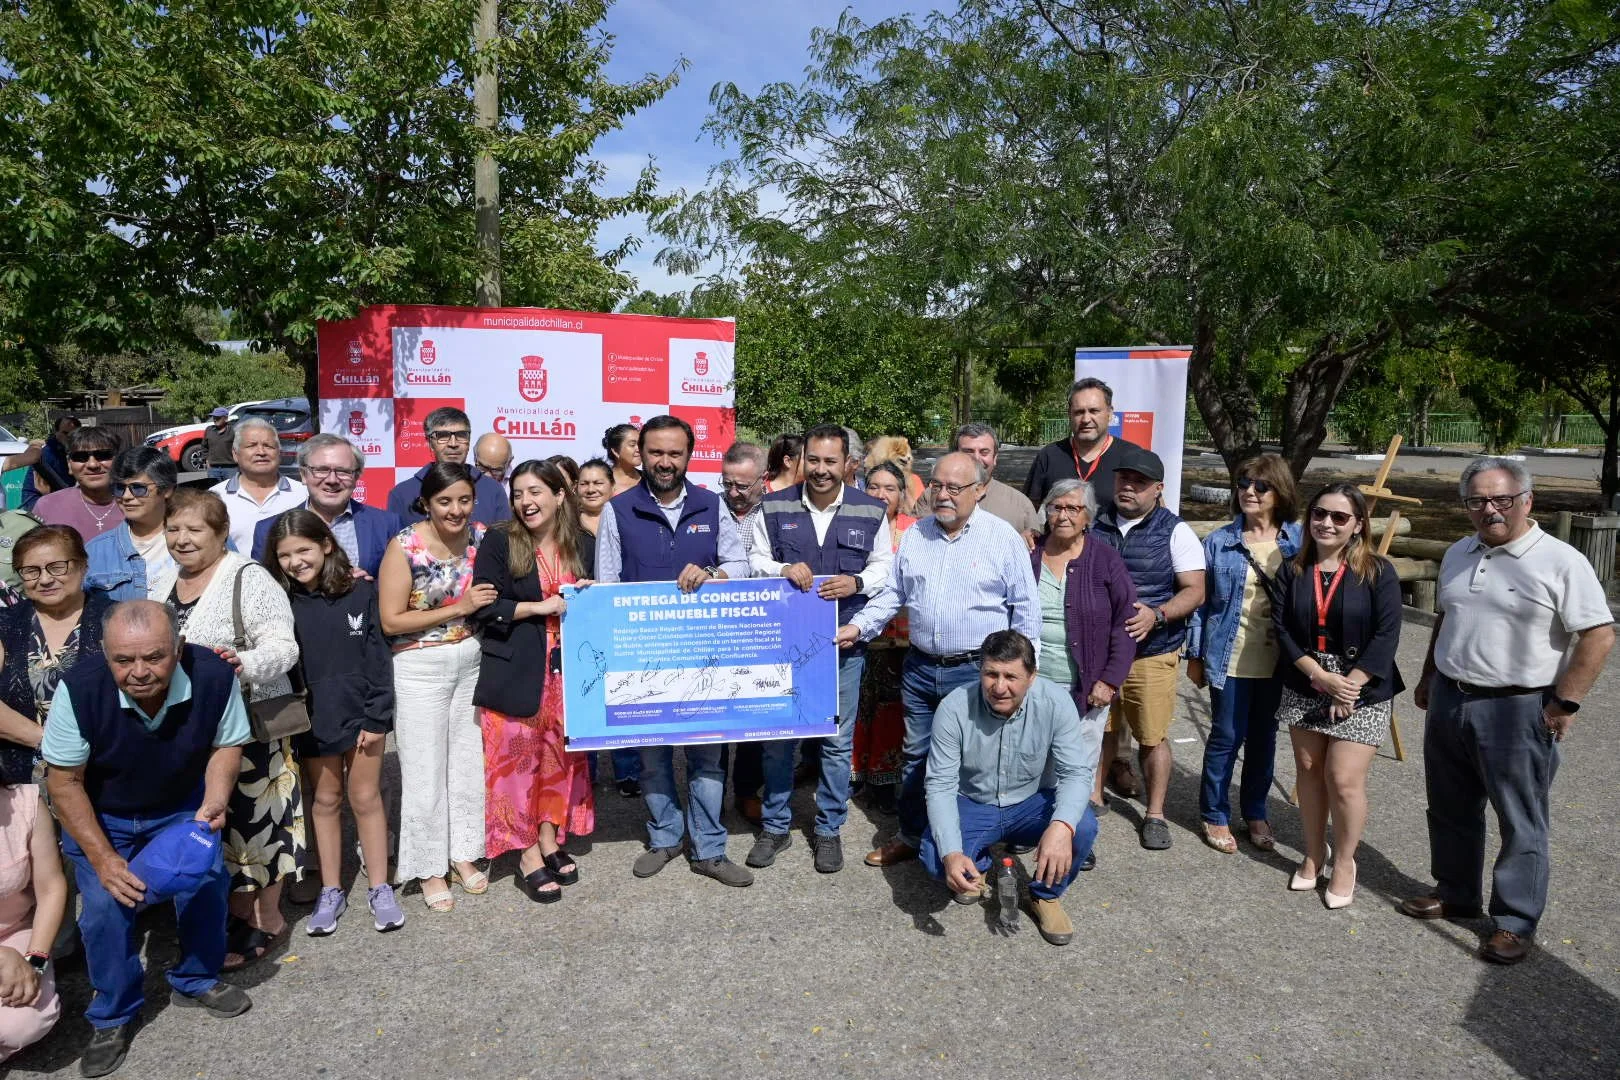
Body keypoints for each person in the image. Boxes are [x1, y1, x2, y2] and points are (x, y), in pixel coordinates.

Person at [1402, 457, 1614, 963]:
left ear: (1527, 500)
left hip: (1518, 707)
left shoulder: (1562, 561)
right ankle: (1456, 893)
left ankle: (1515, 921)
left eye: (1501, 499)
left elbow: (1599, 635)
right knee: (1450, 808)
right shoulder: (1458, 551)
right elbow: (1446, 618)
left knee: (1520, 819)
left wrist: (1565, 701)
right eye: (1477, 501)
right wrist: (1431, 675)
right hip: (1453, 698)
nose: (1490, 510)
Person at [44, 600, 253, 1077]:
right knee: (104, 906)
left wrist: (215, 801)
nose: (139, 672)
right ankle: (113, 1014)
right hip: (104, 814)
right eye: (123, 660)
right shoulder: (79, 689)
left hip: (180, 805)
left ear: (178, 648)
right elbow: (64, 783)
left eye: (154, 657)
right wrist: (102, 858)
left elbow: (227, 744)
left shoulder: (215, 677)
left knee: (206, 883)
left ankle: (196, 977)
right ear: (104, 652)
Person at [841, 451, 1040, 868]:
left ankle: (973, 847)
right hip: (920, 667)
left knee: (975, 763)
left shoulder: (1002, 538)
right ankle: (913, 835)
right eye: (936, 485)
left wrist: (1023, 672)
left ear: (980, 490)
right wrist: (858, 627)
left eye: (954, 487)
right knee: (918, 757)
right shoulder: (917, 536)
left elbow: (1026, 610)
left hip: (976, 673)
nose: (943, 495)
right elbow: (894, 594)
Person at [595, 415, 751, 886]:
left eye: (675, 453)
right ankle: (664, 837)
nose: (665, 462)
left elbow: (739, 564)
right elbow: (606, 586)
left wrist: (715, 576)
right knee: (652, 755)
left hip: (705, 653)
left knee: (707, 755)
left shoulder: (712, 505)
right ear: (639, 454)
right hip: (643, 656)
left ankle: (709, 848)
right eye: (656, 452)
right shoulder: (616, 510)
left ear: (689, 455)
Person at [156, 489, 301, 970]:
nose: (182, 539)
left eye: (194, 530)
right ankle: (228, 912)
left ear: (220, 533)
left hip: (252, 723)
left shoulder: (248, 578)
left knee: (259, 823)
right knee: (218, 824)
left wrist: (244, 664)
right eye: (173, 529)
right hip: (194, 733)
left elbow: (284, 647)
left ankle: (266, 918)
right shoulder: (165, 581)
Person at [749, 426, 892, 873]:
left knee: (834, 740)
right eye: (814, 460)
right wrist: (783, 567)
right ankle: (775, 826)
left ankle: (829, 830)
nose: (822, 470)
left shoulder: (872, 511)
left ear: (848, 463)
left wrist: (858, 582)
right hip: (782, 643)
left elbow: (886, 565)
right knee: (779, 738)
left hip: (842, 643)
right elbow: (753, 559)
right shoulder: (773, 506)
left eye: (831, 461)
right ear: (801, 460)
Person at [262, 511, 403, 935]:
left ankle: (379, 886)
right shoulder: (279, 600)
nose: (294, 561)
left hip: (363, 715)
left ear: (326, 545)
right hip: (312, 719)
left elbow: (378, 657)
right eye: (284, 555)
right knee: (324, 801)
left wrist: (378, 717)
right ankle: (330, 888)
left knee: (365, 799)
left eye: (303, 549)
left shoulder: (361, 591)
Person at [920, 630, 1100, 946]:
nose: (999, 687)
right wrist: (951, 852)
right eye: (991, 674)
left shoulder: (1056, 702)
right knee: (937, 858)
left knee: (1081, 826)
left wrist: (1060, 827)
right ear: (980, 670)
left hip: (1030, 802)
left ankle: (1045, 894)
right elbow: (940, 785)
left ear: (1032, 676)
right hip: (974, 802)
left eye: (1011, 677)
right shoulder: (954, 707)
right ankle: (979, 864)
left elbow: (1075, 773)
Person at [1274, 483, 1403, 909]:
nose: (1327, 523)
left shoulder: (1378, 571)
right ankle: (1314, 853)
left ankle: (1345, 860)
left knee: (1343, 779)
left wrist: (1350, 683)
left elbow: (1387, 635)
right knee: (1309, 769)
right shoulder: (1291, 570)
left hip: (1362, 687)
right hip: (1305, 681)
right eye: (1319, 514)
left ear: (1359, 525)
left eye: (1340, 517)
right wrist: (1320, 678)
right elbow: (1283, 632)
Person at [471, 461, 594, 903]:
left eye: (536, 491)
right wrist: (538, 608)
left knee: (558, 763)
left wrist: (591, 592)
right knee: (516, 769)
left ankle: (548, 838)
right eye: (519, 492)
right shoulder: (500, 540)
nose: (526, 501)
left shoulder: (582, 542)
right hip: (517, 672)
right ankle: (525, 854)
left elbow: (600, 600)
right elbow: (482, 606)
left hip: (570, 675)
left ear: (560, 496)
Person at [377, 462, 495, 912]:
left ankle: (464, 854)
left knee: (467, 766)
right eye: (445, 501)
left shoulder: (483, 537)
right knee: (425, 772)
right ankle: (428, 868)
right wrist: (458, 607)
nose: (456, 509)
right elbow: (391, 620)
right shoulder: (404, 545)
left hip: (472, 663)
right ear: (426, 502)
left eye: (464, 499)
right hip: (418, 667)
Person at [1089, 448, 1206, 850]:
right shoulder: (1095, 521)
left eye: (1139, 483)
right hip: (1099, 653)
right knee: (1100, 729)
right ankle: (1093, 796)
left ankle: (1155, 813)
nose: (1128, 487)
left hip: (1151, 652)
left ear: (1158, 489)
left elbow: (1195, 590)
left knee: (1151, 737)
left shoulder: (1175, 532)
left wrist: (1157, 614)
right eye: (1123, 479)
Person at [1185, 453, 1301, 854]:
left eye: (1261, 485)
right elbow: (1202, 604)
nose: (1249, 491)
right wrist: (1195, 655)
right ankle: (1214, 814)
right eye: (1243, 483)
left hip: (1281, 661)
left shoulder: (1299, 541)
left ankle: (1255, 811)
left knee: (1265, 738)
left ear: (1279, 491)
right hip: (1230, 654)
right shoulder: (1219, 541)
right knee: (1225, 737)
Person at [1030, 479, 1136, 833]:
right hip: (1033, 684)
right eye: (1056, 507)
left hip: (1086, 686)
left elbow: (1125, 624)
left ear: (1088, 517)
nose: (1062, 515)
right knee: (1034, 762)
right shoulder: (1028, 555)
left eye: (1072, 508)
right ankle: (1033, 828)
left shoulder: (1105, 560)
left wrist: (1109, 680)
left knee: (1078, 768)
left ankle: (1072, 837)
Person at [1, 527, 113, 786]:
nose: (45, 579)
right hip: (19, 781)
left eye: (57, 567)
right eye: (31, 571)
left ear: (82, 565)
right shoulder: (5, 624)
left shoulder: (114, 619)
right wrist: (50, 743)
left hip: (98, 775)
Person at [850, 462, 917, 813]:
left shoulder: (917, 531)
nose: (880, 494)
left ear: (902, 495)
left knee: (892, 708)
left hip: (903, 639)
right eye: (873, 486)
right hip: (859, 630)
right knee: (859, 705)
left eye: (889, 488)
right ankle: (853, 772)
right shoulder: (851, 526)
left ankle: (884, 777)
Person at [574, 458, 640, 799]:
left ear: (612, 487)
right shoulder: (565, 528)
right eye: (584, 483)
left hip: (618, 622)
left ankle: (628, 772)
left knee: (621, 695)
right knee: (586, 697)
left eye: (598, 482)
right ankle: (588, 773)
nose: (591, 488)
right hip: (580, 624)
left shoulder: (624, 522)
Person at [251, 434, 403, 579]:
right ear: (304, 475)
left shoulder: (388, 525)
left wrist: (368, 587)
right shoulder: (268, 530)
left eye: (343, 471)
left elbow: (403, 582)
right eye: (321, 470)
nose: (332, 480)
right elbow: (262, 591)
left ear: (356, 477)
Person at [716, 441, 769, 823]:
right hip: (715, 630)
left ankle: (747, 790)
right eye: (727, 483)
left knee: (754, 721)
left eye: (743, 487)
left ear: (762, 481)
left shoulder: (780, 512)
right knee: (713, 718)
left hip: (760, 631)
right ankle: (711, 793)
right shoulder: (708, 507)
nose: (733, 493)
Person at [0, 774, 66, 1064]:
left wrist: (35, 961)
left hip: (14, 931)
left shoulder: (24, 803)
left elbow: (51, 888)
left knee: (25, 1022)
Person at [1024, 377, 1140, 512]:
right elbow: (1027, 512)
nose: (1086, 419)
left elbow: (1157, 514)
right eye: (1079, 412)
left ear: (1109, 413)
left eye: (1094, 411)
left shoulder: (1132, 456)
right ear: (1069, 415)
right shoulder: (1049, 455)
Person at [84, 448, 179, 601]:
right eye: (119, 488)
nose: (126, 497)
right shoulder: (95, 552)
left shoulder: (202, 538)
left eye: (138, 488)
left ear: (167, 489)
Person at [387, 407, 509, 525]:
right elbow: (394, 543)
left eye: (461, 435)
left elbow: (504, 541)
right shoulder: (402, 494)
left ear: (469, 440)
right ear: (430, 442)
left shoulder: (493, 490)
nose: (453, 443)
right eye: (443, 436)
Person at [209, 416, 307, 556]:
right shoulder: (215, 498)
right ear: (235, 454)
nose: (261, 452)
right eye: (251, 445)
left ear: (279, 453)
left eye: (268, 446)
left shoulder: (302, 493)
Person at [928, 423, 1041, 540]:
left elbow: (1035, 552)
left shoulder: (1020, 505)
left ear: (995, 458)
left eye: (984, 452)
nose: (976, 458)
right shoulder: (932, 497)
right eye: (968, 451)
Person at [34, 427, 123, 542]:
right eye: (81, 457)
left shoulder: (138, 503)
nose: (92, 464)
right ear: (69, 464)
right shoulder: (46, 507)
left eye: (103, 455)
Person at [20, 415, 77, 512]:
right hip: (38, 504)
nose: (68, 437)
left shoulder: (78, 452)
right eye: (65, 433)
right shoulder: (48, 453)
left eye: (72, 434)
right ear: (56, 432)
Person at [602, 423, 642, 496]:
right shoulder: (601, 482)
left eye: (640, 444)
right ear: (615, 451)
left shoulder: (649, 480)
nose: (639, 449)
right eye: (632, 445)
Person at [203, 407, 236, 481]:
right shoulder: (209, 429)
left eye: (218, 418)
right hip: (213, 468)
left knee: (230, 491)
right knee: (214, 491)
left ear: (226, 418)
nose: (214, 419)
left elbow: (239, 447)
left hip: (230, 468)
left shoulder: (233, 430)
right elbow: (204, 447)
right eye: (214, 417)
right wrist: (207, 461)